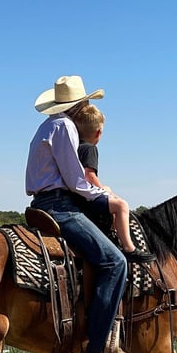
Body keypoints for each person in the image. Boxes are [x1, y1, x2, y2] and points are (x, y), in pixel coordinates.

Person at [25, 75, 135, 353]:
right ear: (79, 104)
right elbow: (76, 181)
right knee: (115, 261)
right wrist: (106, 199)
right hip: (60, 205)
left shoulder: (47, 125)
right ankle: (99, 342)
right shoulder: (65, 127)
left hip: (42, 202)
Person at [71, 104, 154, 262]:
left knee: (109, 192)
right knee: (121, 205)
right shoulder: (90, 149)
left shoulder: (74, 147)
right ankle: (129, 248)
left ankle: (116, 235)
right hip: (84, 200)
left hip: (73, 197)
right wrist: (103, 191)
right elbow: (89, 175)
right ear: (99, 132)